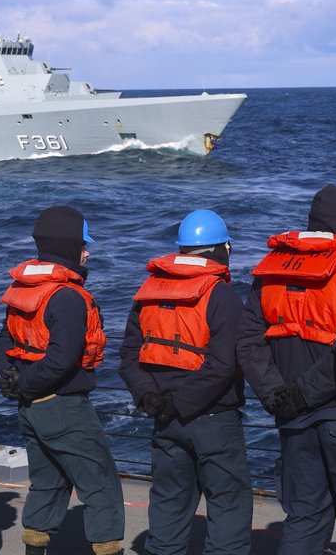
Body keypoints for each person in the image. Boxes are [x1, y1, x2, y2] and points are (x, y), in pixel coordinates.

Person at [237, 185, 336, 554]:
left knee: (304, 517)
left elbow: (248, 342)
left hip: (291, 416)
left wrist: (278, 395)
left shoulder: (269, 271)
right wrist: (305, 394)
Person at [119, 209, 251, 555]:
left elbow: (129, 355)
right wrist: (182, 402)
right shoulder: (221, 295)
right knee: (228, 507)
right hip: (213, 419)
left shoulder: (148, 291)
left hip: (164, 419)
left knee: (168, 504)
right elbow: (223, 365)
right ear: (221, 250)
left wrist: (149, 397)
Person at [0, 206, 124, 555]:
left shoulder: (23, 288)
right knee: (100, 484)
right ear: (68, 246)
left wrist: (14, 379)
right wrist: (25, 383)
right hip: (63, 406)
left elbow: (4, 341)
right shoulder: (66, 296)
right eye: (83, 244)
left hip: (30, 408)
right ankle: (108, 548)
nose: (87, 252)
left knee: (48, 482)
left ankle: (35, 548)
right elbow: (63, 359)